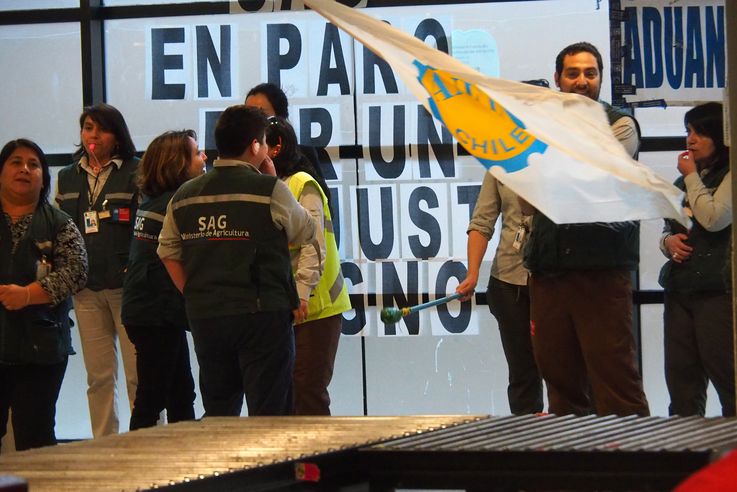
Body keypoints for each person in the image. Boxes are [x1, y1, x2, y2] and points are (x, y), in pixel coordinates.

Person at [158, 105, 316, 417]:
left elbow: (167, 250)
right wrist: (275, 183)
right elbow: (306, 230)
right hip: (262, 315)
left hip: (207, 316)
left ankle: (224, 467)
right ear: (256, 146)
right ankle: (271, 469)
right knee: (269, 411)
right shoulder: (269, 189)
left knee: (219, 412)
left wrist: (193, 292)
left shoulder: (185, 194)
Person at [522, 42, 649, 417]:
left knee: (616, 383)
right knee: (560, 384)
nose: (582, 81)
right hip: (548, 272)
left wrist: (545, 164)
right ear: (559, 78)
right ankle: (573, 473)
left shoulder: (622, 125)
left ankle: (635, 471)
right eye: (573, 73)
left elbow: (593, 177)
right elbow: (528, 197)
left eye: (590, 73)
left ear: (600, 80)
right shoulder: (540, 127)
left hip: (601, 274)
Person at [55, 103, 140, 437]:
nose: (93, 135)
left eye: (101, 128)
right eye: (88, 127)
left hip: (127, 288)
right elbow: (59, 231)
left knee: (138, 375)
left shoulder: (137, 171)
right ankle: (106, 444)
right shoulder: (66, 176)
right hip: (86, 291)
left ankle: (148, 443)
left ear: (117, 136)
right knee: (99, 376)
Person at [0, 139, 88, 451]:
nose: (24, 169)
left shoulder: (59, 223)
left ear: (43, 177)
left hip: (41, 349)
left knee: (35, 438)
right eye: (15, 162)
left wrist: (27, 295)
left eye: (33, 164)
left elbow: (76, 271)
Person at [265, 117, 351, 415]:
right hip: (288, 306)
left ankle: (319, 462)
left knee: (308, 391)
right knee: (289, 393)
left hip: (316, 306)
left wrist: (302, 292)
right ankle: (297, 462)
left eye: (259, 142)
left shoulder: (302, 182)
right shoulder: (271, 185)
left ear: (276, 147)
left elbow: (314, 245)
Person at [121, 130, 205, 430]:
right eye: (197, 153)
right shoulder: (177, 204)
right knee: (153, 397)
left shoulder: (152, 201)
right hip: (157, 313)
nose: (204, 157)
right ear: (177, 163)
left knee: (179, 392)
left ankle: (183, 463)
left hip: (149, 311)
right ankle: (134, 465)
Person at [658, 102, 734, 417]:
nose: (691, 140)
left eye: (700, 133)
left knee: (726, 373)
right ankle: (685, 454)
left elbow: (714, 217)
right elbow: (668, 228)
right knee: (681, 378)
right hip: (680, 289)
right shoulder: (684, 182)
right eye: (688, 131)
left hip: (718, 290)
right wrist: (667, 242)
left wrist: (690, 176)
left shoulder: (727, 175)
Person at [455, 170, 542, 415]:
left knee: (566, 374)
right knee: (522, 375)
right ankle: (528, 445)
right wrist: (472, 274)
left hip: (555, 282)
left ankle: (571, 446)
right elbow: (482, 222)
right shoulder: (501, 160)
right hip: (508, 280)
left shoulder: (562, 151)